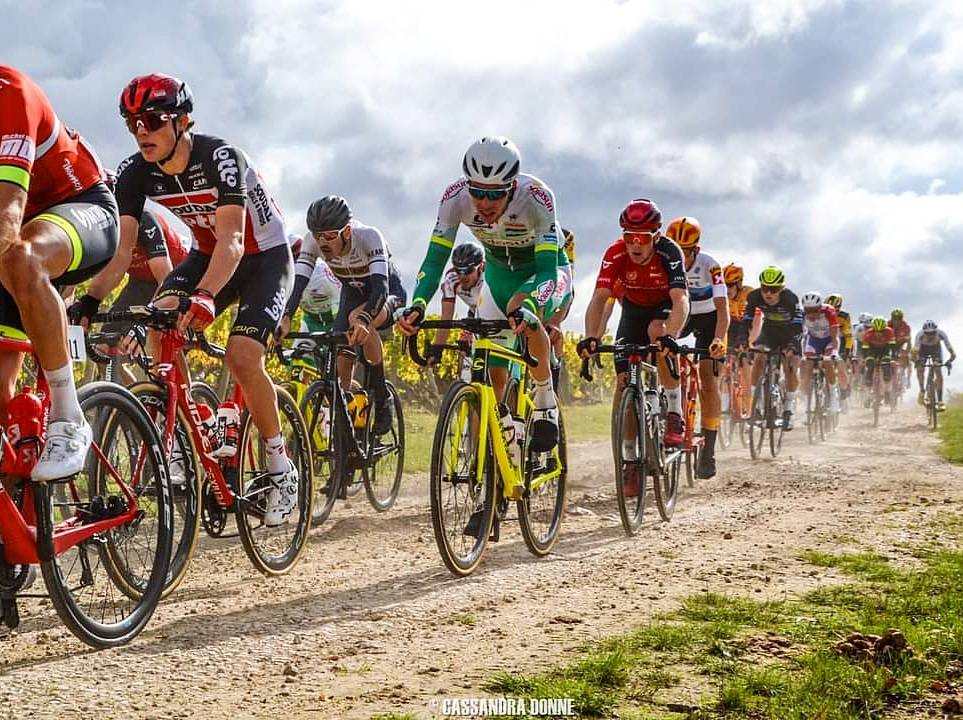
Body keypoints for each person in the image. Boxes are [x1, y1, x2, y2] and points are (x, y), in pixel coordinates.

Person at [97, 73, 297, 526]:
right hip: (207, 254)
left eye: (151, 120)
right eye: (132, 124)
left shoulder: (222, 157)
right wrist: (89, 301)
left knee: (244, 357)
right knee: (158, 322)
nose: (140, 131)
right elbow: (124, 252)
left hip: (262, 256)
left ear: (183, 120)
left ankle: (280, 466)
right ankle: (188, 431)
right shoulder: (134, 172)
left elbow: (232, 239)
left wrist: (206, 295)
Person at [398, 136, 561, 452]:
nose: (484, 203)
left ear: (511, 187)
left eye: (494, 195)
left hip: (538, 273)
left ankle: (545, 400)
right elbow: (434, 261)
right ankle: (495, 455)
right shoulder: (454, 198)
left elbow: (547, 271)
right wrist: (418, 304)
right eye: (478, 192)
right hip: (498, 278)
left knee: (519, 307)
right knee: (493, 377)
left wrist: (530, 303)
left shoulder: (537, 198)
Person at [0, 65, 118, 481]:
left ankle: (69, 417)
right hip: (16, 235)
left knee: (21, 256)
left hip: (80, 205)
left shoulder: (11, 92)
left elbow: (7, 216)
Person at [577, 198, 689, 495]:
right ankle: (630, 459)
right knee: (625, 381)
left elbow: (681, 300)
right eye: (629, 238)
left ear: (656, 237)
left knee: (657, 332)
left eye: (642, 238)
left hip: (665, 309)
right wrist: (592, 337)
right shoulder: (615, 253)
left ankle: (675, 413)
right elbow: (599, 299)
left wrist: (672, 335)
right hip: (633, 312)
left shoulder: (669, 252)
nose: (635, 245)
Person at [282, 196, 405, 435]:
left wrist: (365, 319)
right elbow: (298, 284)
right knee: (341, 366)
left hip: (387, 294)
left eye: (329, 236)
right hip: (352, 295)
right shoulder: (312, 241)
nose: (322, 242)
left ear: (346, 231)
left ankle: (382, 397)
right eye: (318, 236)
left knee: (356, 319)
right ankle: (346, 433)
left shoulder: (369, 237)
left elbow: (381, 288)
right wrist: (286, 316)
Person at [69, 170, 189, 384]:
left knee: (162, 335)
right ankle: (133, 406)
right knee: (103, 349)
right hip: (141, 282)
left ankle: (186, 402)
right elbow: (78, 278)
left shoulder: (144, 220)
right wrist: (82, 305)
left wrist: (146, 321)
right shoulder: (100, 227)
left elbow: (165, 279)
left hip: (176, 276)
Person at [666, 216, 727, 479]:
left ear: (696, 250)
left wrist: (719, 339)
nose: (680, 257)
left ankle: (709, 450)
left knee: (708, 380)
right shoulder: (666, 261)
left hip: (709, 318)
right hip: (682, 314)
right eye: (676, 250)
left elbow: (723, 310)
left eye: (686, 253)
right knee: (664, 352)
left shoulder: (710, 266)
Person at [742, 266, 803, 430]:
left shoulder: (790, 299)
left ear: (781, 289)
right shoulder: (754, 296)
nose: (768, 294)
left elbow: (798, 325)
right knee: (759, 357)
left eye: (774, 289)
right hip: (769, 331)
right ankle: (757, 406)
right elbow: (746, 319)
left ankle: (788, 410)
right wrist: (742, 340)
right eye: (764, 289)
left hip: (790, 332)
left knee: (789, 365)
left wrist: (792, 345)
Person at [427, 241, 486, 375]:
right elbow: (446, 318)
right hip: (473, 312)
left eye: (468, 271)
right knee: (463, 349)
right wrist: (438, 349)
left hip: (496, 309)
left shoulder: (489, 277)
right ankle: (463, 385)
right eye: (458, 270)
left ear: (480, 267)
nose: (462, 276)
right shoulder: (451, 278)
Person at [798, 291, 841, 417]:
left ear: (820, 308)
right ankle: (807, 406)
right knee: (807, 367)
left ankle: (833, 397)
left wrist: (834, 351)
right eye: (808, 311)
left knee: (827, 362)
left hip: (828, 340)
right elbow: (800, 335)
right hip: (814, 341)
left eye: (814, 311)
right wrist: (801, 355)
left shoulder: (828, 311)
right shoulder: (801, 314)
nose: (811, 314)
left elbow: (835, 334)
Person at [913, 320, 956, 410]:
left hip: (936, 350)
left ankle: (940, 401)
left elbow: (951, 351)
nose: (930, 335)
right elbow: (915, 352)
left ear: (936, 331)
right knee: (920, 369)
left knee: (938, 370)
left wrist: (950, 360)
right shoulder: (919, 335)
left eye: (933, 333)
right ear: (923, 332)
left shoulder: (941, 334)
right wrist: (917, 361)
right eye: (927, 333)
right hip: (922, 350)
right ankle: (922, 391)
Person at [824, 293, 852, 403]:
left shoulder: (844, 316)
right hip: (826, 340)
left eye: (836, 310)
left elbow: (849, 336)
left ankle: (844, 392)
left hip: (841, 341)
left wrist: (847, 350)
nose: (833, 312)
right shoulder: (821, 313)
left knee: (841, 368)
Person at [860, 316, 897, 403]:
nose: (879, 333)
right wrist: (864, 359)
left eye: (881, 331)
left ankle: (887, 391)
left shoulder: (889, 331)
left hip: (885, 350)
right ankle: (868, 396)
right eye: (877, 331)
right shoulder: (868, 333)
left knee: (886, 368)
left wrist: (893, 358)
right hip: (872, 350)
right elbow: (865, 348)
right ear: (873, 329)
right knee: (869, 367)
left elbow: (892, 347)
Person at [888, 308, 912, 389]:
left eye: (898, 319)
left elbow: (908, 341)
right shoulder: (887, 325)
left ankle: (907, 378)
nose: (896, 321)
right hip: (890, 345)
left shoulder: (906, 327)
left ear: (901, 319)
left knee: (907, 359)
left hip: (901, 344)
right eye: (894, 319)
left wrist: (907, 351)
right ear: (892, 318)